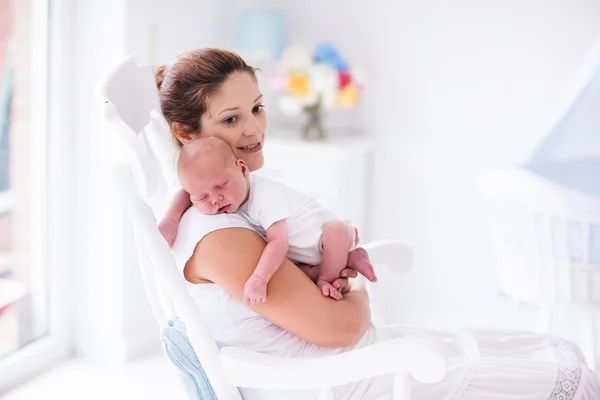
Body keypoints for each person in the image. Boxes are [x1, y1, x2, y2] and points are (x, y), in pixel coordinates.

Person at [155, 48, 600, 399]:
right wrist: (355, 289)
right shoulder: (221, 239)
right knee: (564, 380)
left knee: (562, 357)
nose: (254, 129)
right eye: (231, 119)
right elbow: (343, 329)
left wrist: (335, 281)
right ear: (186, 133)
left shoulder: (235, 207)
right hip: (340, 380)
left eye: (256, 107)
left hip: (352, 362)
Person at [164, 135, 375, 304]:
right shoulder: (220, 198)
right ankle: (350, 259)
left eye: (221, 186)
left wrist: (259, 279)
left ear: (243, 170)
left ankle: (327, 280)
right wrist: (171, 221)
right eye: (203, 197)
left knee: (336, 230)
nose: (215, 199)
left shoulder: (264, 194)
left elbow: (278, 241)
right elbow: (185, 193)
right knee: (298, 273)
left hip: (325, 237)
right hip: (307, 258)